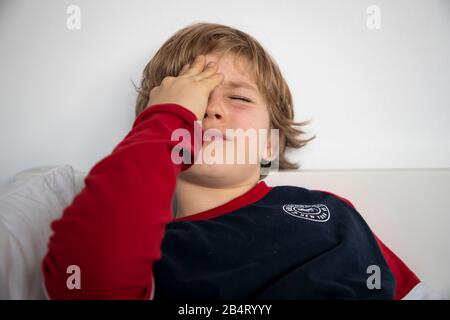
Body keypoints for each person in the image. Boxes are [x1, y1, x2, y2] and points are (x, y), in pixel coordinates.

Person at [42, 22, 430, 300]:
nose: (210, 111)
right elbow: (91, 285)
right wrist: (165, 120)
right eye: (189, 100)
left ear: (268, 145)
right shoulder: (141, 246)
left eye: (239, 99)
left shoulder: (330, 211)